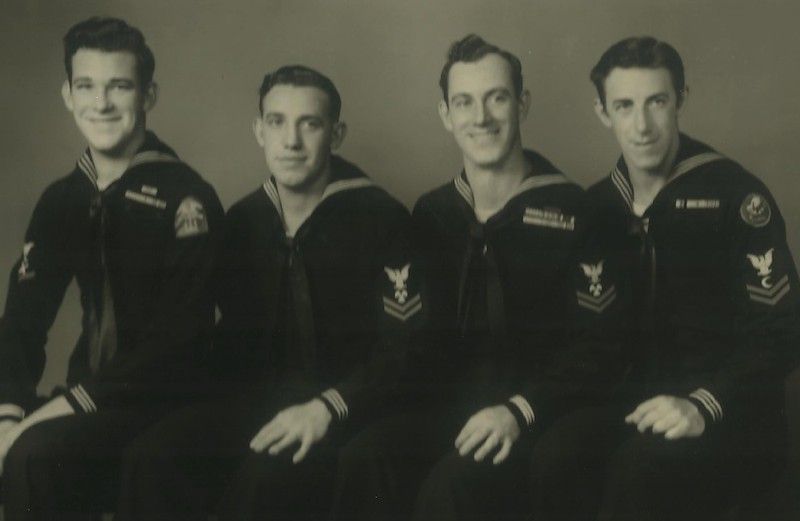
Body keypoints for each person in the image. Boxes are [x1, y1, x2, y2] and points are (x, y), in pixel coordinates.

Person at [330, 34, 623, 521]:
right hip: (450, 408)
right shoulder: (431, 213)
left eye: (497, 98)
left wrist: (520, 410)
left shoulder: (576, 212)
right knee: (366, 456)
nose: (481, 117)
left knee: (452, 489)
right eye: (464, 102)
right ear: (446, 114)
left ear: (522, 104)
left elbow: (602, 348)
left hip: (539, 413)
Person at [114, 64, 423, 521]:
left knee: (263, 480)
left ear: (336, 134)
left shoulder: (383, 220)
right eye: (277, 122)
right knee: (151, 455)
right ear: (259, 131)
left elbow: (403, 351)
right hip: (256, 403)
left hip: (345, 408)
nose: (291, 141)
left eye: (310, 124)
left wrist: (327, 407)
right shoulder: (241, 221)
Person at [528, 36, 800, 521]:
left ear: (682, 100)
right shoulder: (596, 208)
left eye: (657, 102)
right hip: (637, 403)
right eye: (624, 106)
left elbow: (782, 332)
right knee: (556, 455)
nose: (642, 125)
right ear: (602, 111)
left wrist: (703, 403)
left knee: (641, 467)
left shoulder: (737, 196)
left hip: (730, 412)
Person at [0, 16, 224, 520]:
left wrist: (62, 408)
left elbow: (177, 339)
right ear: (67, 94)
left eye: (119, 86)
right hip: (91, 391)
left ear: (148, 95)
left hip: (168, 398)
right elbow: (22, 319)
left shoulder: (186, 197)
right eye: (87, 86)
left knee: (37, 454)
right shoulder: (62, 198)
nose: (100, 104)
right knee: (21, 448)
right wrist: (8, 410)